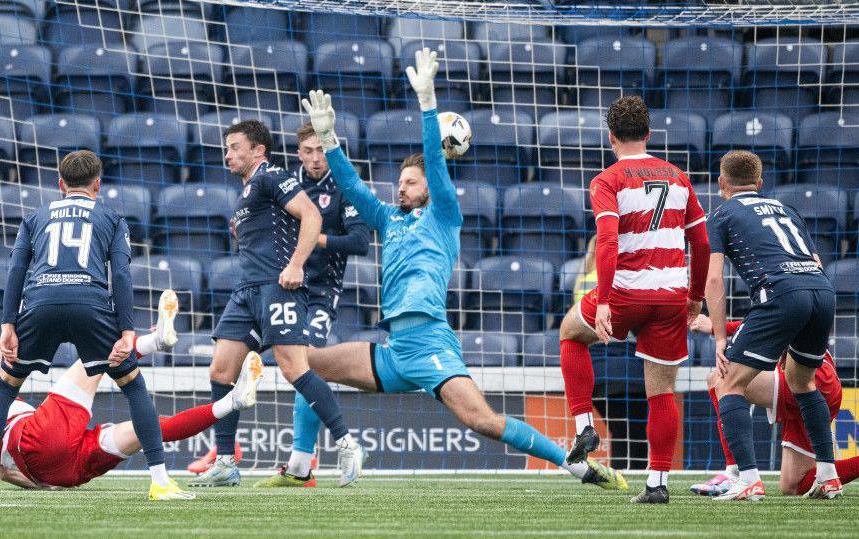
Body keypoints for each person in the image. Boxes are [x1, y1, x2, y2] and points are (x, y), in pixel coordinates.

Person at [291, 48, 628, 491]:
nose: (402, 186)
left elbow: (433, 158)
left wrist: (428, 102)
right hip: (394, 350)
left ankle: (574, 465)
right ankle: (299, 467)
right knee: (302, 364)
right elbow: (351, 185)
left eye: (411, 182)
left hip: (431, 344)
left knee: (483, 421)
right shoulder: (388, 218)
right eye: (400, 181)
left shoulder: (443, 214)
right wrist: (330, 137)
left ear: (431, 185)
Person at [0, 150, 190, 501]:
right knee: (133, 387)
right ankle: (160, 481)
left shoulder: (35, 216)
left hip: (40, 304)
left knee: (6, 388)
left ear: (60, 184)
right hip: (90, 305)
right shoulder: (111, 218)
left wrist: (8, 322)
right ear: (97, 185)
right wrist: (127, 329)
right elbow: (122, 275)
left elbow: (15, 271)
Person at [191, 120, 365, 488]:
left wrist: (296, 264)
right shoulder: (248, 191)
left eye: (236, 146)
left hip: (277, 288)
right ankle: (224, 462)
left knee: (294, 369)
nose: (228, 153)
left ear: (258, 151)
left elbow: (313, 215)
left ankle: (348, 444)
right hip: (246, 292)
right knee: (221, 370)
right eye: (227, 147)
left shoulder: (272, 175)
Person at [557, 96, 711, 504]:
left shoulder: (607, 180)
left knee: (571, 333)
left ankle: (583, 426)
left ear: (610, 138)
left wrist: (604, 300)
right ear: (648, 134)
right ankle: (657, 484)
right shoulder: (678, 176)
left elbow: (607, 240)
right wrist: (696, 297)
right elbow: (702, 241)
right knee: (661, 392)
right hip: (672, 295)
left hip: (626, 291)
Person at [0, 322, 261, 491]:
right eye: (2, 346)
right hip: (36, 439)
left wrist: (47, 484)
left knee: (148, 429)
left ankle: (233, 400)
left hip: (61, 471)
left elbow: (5, 473)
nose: (11, 348)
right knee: (93, 359)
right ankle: (157, 340)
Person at [705, 150, 840, 501]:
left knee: (726, 381)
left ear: (722, 184)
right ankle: (828, 475)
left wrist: (720, 337)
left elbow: (715, 281)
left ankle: (747, 478)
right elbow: (815, 261)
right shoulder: (787, 209)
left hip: (781, 291)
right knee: (802, 381)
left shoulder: (721, 213)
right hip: (822, 290)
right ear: (760, 184)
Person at [253, 122, 370, 487]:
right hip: (284, 288)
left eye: (322, 151)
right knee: (249, 358)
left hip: (320, 292)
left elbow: (360, 242)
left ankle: (301, 465)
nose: (317, 159)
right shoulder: (286, 184)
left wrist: (312, 237)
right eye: (309, 151)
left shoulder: (344, 186)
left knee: (307, 364)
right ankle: (228, 454)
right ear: (298, 153)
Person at [687, 314, 859, 497]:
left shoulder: (784, 289)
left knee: (719, 379)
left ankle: (735, 473)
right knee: (794, 485)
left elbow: (769, 317)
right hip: (820, 380)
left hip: (811, 377)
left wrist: (718, 328)